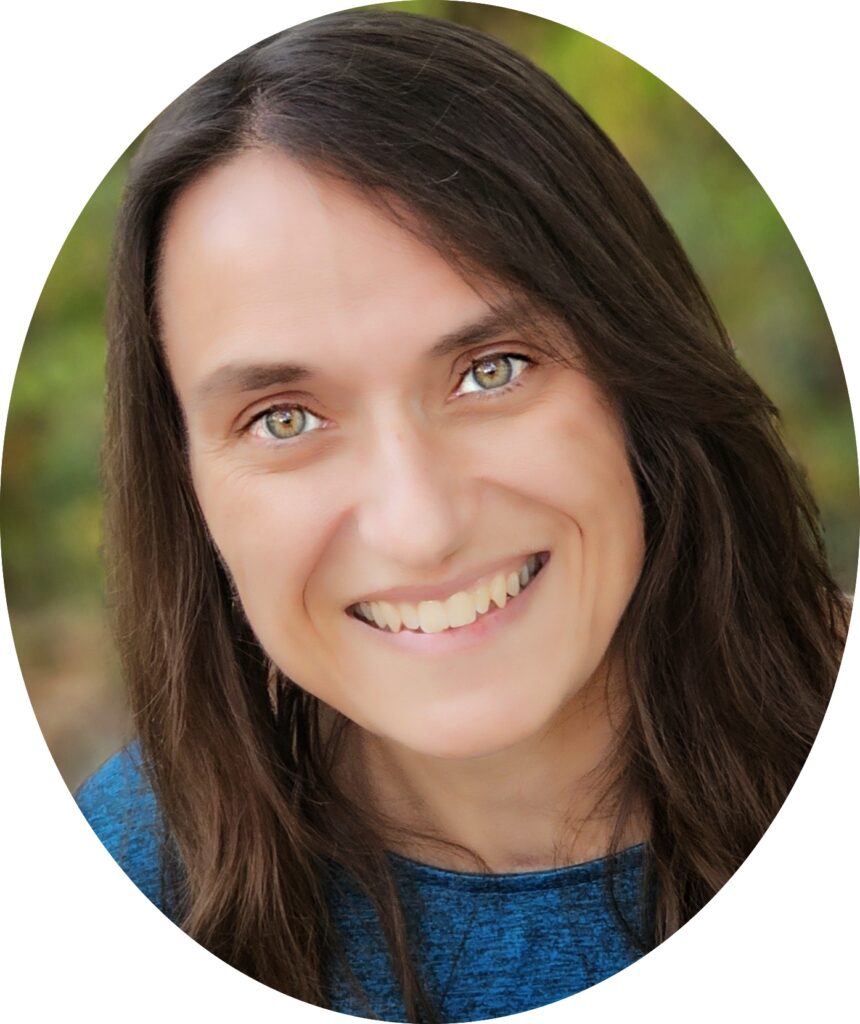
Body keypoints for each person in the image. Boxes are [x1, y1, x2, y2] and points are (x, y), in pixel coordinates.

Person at [74, 9, 849, 1022]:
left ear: (634, 378)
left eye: (492, 370)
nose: (419, 525)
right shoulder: (114, 889)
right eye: (284, 417)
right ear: (189, 489)